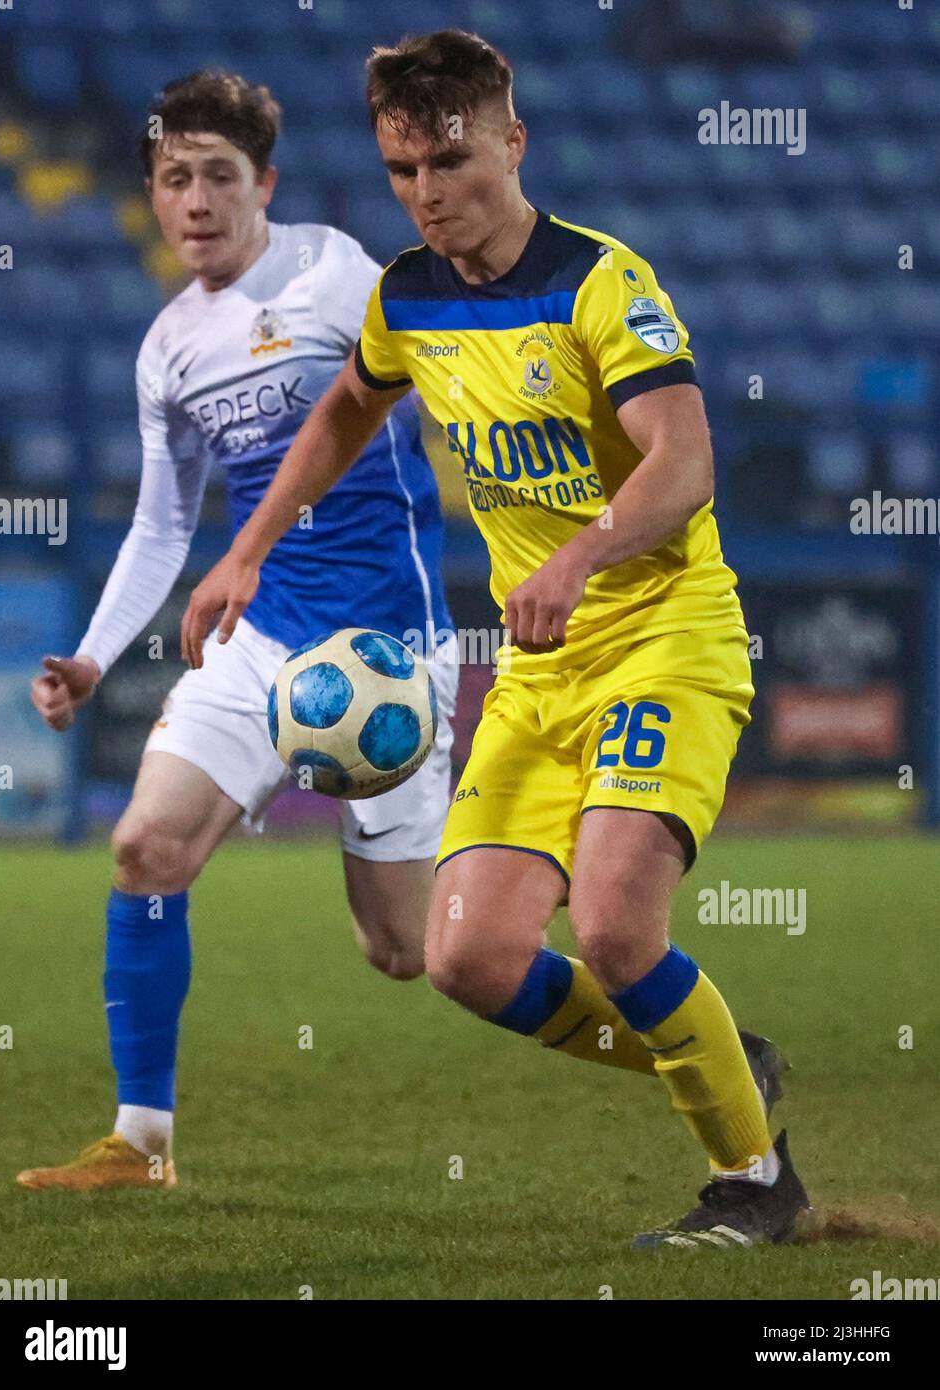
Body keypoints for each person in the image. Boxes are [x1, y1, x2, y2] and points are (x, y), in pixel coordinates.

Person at [180, 32, 811, 1249]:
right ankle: (719, 1055)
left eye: (450, 161)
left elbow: (682, 462)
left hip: (661, 635)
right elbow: (346, 408)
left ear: (511, 143)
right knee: (464, 955)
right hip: (538, 669)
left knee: (617, 928)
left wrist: (578, 555)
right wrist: (246, 546)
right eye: (401, 169)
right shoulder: (405, 295)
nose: (426, 193)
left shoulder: (597, 283)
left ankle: (752, 1182)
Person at [18, 70, 457, 1193]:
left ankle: (636, 994)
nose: (197, 200)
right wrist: (93, 656)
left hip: (380, 654)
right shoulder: (167, 346)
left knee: (409, 953)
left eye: (220, 176)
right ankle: (141, 1140)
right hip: (257, 639)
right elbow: (164, 525)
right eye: (175, 180)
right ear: (155, 198)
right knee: (143, 847)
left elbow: (438, 401)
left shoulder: (336, 275)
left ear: (263, 184)